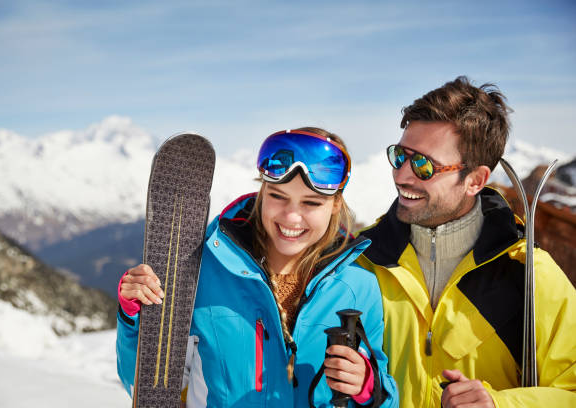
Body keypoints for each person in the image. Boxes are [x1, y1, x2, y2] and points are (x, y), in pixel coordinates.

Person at [116, 127, 398, 407]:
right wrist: (136, 318)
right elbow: (151, 388)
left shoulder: (358, 287)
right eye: (278, 196)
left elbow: (384, 399)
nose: (292, 217)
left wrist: (367, 387)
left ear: (335, 205)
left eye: (311, 203)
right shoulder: (204, 271)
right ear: (263, 190)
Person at [356, 76, 576, 407]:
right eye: (400, 155)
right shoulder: (363, 260)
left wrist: (500, 404)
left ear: (475, 180)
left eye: (422, 165)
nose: (402, 174)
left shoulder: (529, 274)